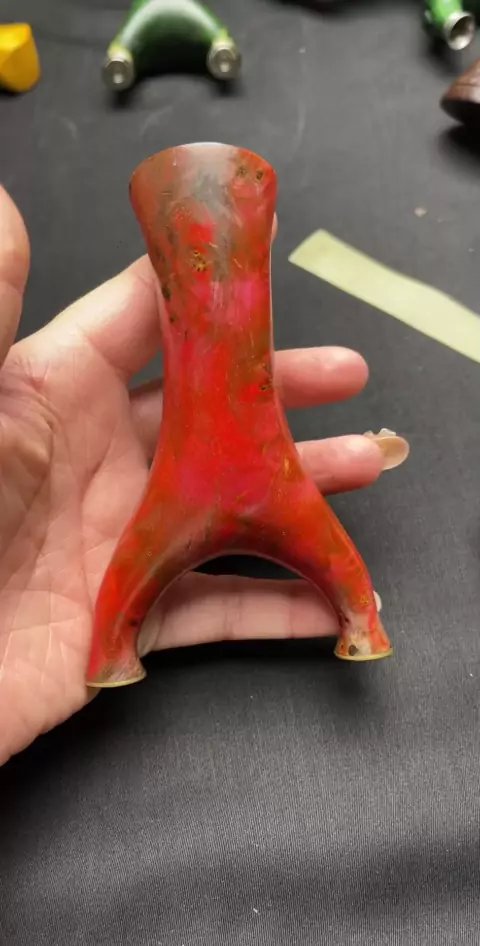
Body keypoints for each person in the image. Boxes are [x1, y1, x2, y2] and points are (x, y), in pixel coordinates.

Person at [0, 186, 407, 767]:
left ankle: (114, 652)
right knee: (346, 586)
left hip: (206, 488)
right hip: (198, 488)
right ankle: (361, 628)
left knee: (119, 614)